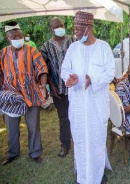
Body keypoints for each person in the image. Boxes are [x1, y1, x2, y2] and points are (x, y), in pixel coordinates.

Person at [61, 11, 115, 184]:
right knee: (80, 139)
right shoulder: (73, 48)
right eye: (74, 28)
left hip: (97, 106)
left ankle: (98, 175)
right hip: (77, 105)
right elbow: (65, 70)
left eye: (78, 28)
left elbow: (110, 72)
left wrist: (93, 79)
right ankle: (83, 175)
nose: (75, 32)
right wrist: (70, 78)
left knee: (97, 139)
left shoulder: (103, 47)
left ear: (89, 27)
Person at [1, 21, 48, 165]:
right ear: (8, 38)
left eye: (20, 35)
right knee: (12, 127)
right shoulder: (2, 53)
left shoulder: (31, 51)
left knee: (33, 126)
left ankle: (35, 153)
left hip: (31, 94)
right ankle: (13, 153)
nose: (18, 38)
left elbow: (42, 68)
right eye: (14, 36)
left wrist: (43, 86)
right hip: (11, 96)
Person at [41, 17, 76, 157]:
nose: (60, 27)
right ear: (51, 29)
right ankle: (65, 144)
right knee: (63, 117)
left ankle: (80, 141)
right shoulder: (46, 46)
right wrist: (51, 85)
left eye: (61, 25)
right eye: (57, 26)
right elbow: (44, 67)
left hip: (75, 87)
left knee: (77, 115)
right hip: (58, 89)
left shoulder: (74, 41)